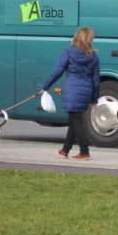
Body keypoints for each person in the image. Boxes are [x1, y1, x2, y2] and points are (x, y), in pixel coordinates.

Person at [41, 26, 100, 161]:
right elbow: (96, 79)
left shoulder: (69, 52)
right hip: (86, 90)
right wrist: (94, 98)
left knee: (76, 120)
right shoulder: (94, 56)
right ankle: (65, 149)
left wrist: (45, 86)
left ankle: (85, 151)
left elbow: (57, 71)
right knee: (74, 119)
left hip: (72, 90)